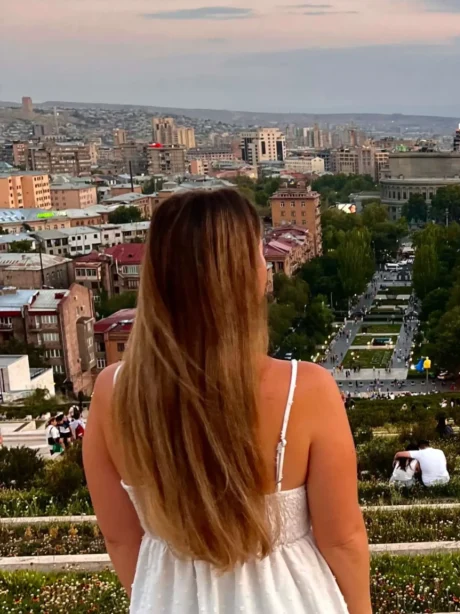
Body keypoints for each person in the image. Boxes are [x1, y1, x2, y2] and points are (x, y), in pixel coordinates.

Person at [82, 189, 371, 614]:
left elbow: (121, 538)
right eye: (258, 253)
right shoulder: (305, 390)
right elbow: (342, 540)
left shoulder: (112, 392)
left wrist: (160, 595)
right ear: (244, 274)